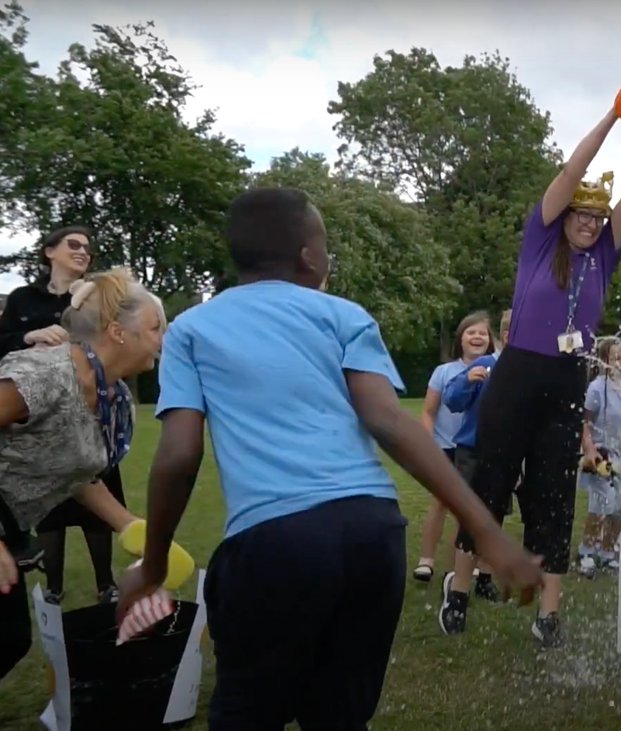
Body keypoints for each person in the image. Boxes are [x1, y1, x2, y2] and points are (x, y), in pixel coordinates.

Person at [116, 187, 543, 730]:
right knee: (340, 717)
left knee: (248, 712)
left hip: (272, 544)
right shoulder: (343, 315)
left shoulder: (193, 329)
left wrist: (153, 567)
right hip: (372, 534)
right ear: (308, 257)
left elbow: (178, 454)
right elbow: (390, 422)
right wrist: (485, 531)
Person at [439, 109, 621, 648]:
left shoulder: (605, 254)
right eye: (580, 214)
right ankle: (460, 588)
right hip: (516, 377)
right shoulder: (539, 241)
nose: (588, 222)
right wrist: (615, 117)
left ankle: (549, 613)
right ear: (562, 217)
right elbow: (569, 171)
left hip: (566, 381)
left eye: (595, 218)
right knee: (489, 485)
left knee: (555, 495)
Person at [0, 268, 175, 681]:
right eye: (155, 328)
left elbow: (76, 474)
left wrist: (134, 531)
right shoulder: (44, 375)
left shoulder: (113, 401)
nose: (161, 341)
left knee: (8, 639)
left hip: (12, 526)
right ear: (118, 332)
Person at [0, 225, 128, 605]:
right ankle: (53, 587)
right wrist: (29, 337)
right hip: (35, 420)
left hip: (89, 419)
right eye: (74, 244)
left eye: (88, 248)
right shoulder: (24, 298)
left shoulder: (94, 299)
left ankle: (105, 584)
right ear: (49, 251)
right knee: (52, 512)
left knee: (97, 497)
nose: (83, 252)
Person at [413, 311, 494, 584]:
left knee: (467, 509)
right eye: (471, 332)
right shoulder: (444, 372)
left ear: (490, 339)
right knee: (440, 503)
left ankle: (456, 566)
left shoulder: (494, 368)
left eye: (482, 332)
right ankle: (426, 560)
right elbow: (428, 411)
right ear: (461, 339)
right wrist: (428, 445)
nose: (477, 336)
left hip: (473, 449)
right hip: (443, 447)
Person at [576, 336, 621, 577]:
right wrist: (590, 450)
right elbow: (585, 422)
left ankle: (607, 552)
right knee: (600, 502)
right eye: (617, 357)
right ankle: (586, 551)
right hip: (601, 450)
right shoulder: (597, 388)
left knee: (617, 506)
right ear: (605, 360)